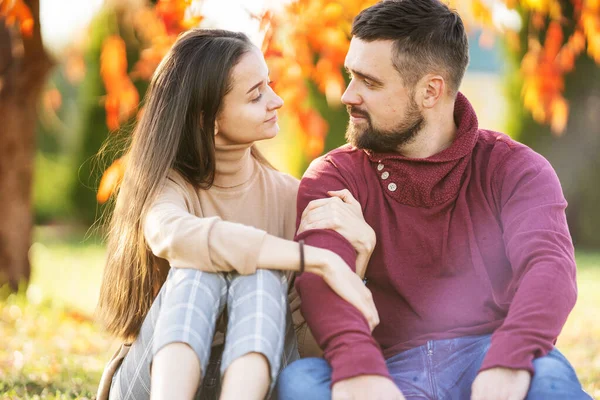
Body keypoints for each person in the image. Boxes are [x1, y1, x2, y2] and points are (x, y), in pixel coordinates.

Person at [277, 1, 593, 399]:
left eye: (368, 82)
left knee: (548, 381)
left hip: (490, 354)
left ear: (430, 91)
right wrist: (360, 370)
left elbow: (549, 269)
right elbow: (321, 279)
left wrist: (508, 360)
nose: (346, 95)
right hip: (385, 365)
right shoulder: (335, 175)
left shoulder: (516, 168)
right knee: (302, 381)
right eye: (350, 76)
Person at [95, 28, 378, 400]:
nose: (276, 101)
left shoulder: (292, 199)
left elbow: (310, 353)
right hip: (153, 382)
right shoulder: (165, 187)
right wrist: (314, 259)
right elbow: (175, 235)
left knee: (261, 279)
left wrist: (353, 264)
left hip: (255, 384)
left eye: (269, 85)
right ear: (205, 119)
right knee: (197, 271)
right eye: (256, 94)